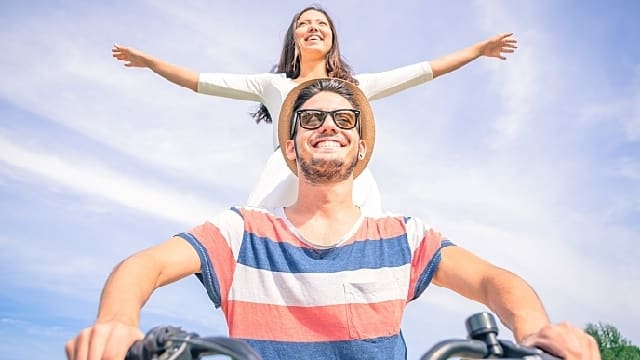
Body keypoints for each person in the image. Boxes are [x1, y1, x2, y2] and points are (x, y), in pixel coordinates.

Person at [65, 78, 600, 360]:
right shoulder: (240, 231)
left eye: (342, 119)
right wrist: (116, 322)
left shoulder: (405, 236)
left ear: (359, 144)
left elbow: (492, 281)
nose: (328, 126)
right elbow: (147, 265)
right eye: (311, 119)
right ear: (292, 147)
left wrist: (535, 333)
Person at [111, 5, 518, 215]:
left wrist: (477, 51)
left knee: (364, 235)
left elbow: (422, 72)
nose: (313, 28)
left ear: (331, 38)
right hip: (285, 172)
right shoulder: (274, 85)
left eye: (321, 24)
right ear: (294, 37)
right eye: (304, 23)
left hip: (345, 171)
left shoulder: (354, 88)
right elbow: (199, 80)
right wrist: (152, 63)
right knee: (260, 238)